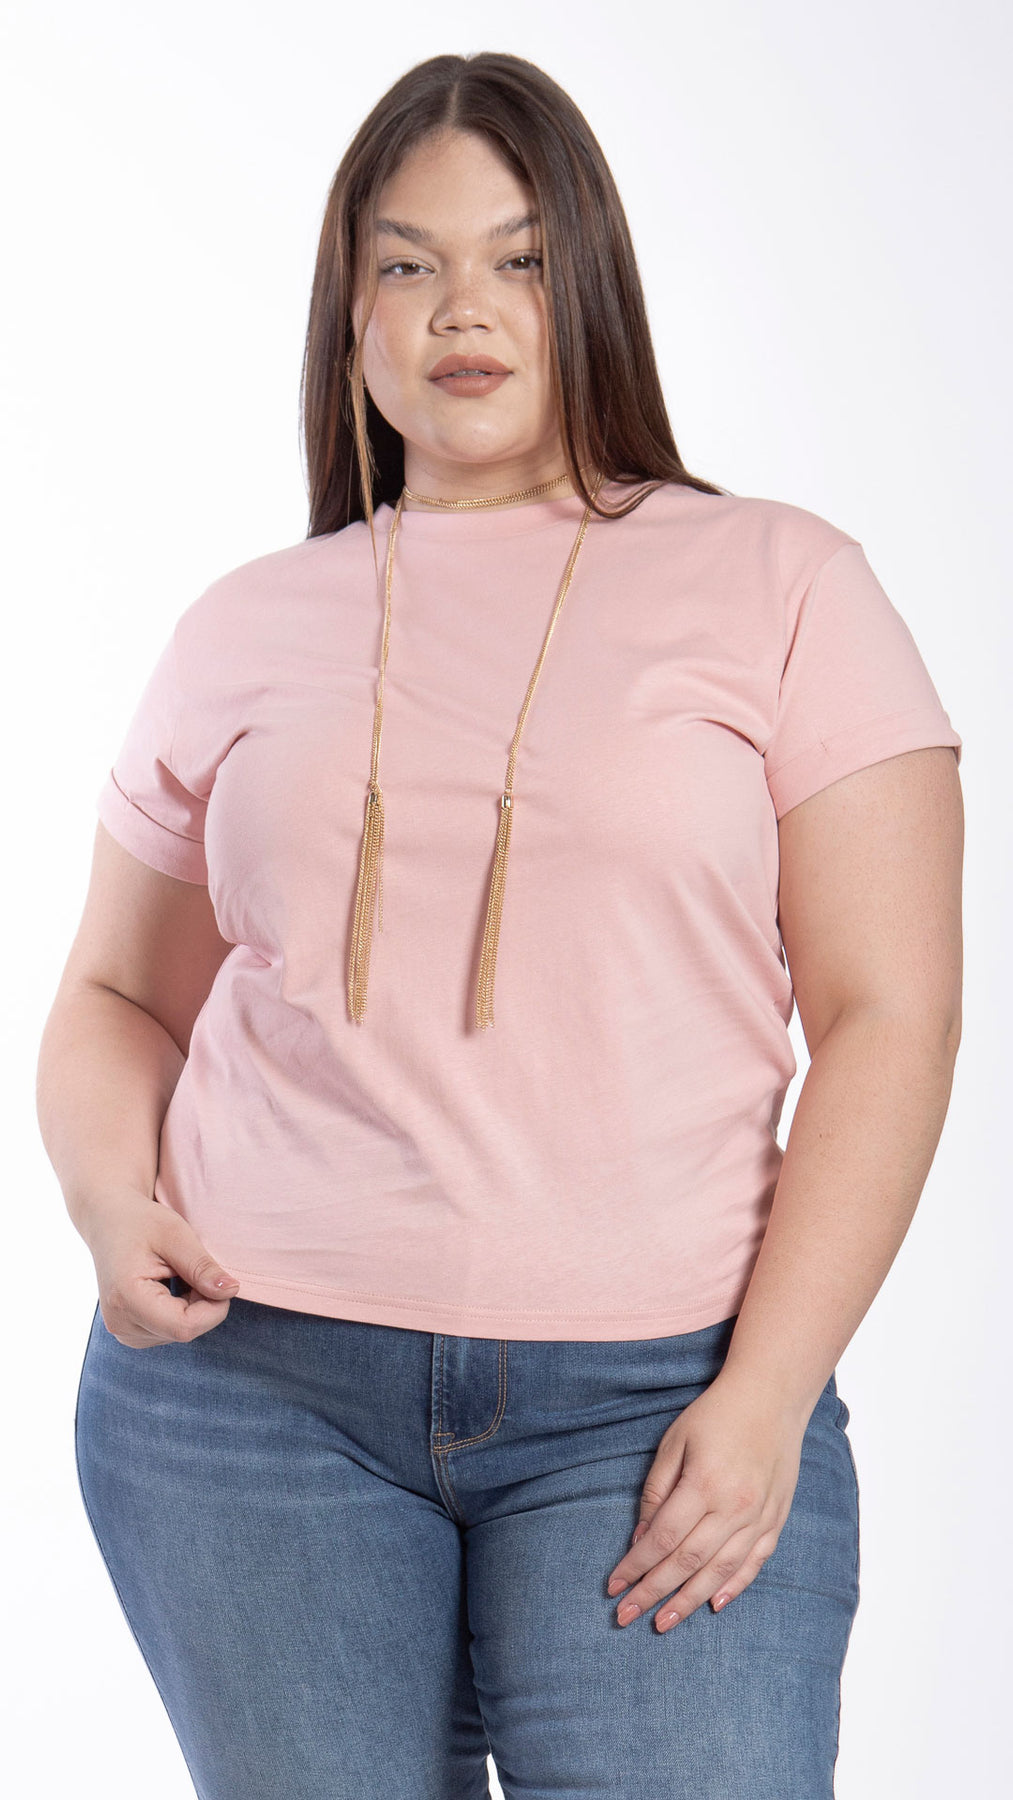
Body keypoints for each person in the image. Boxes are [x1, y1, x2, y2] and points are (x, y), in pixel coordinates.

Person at [36, 49, 964, 1800]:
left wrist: (767, 1393)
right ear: (350, 320)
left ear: (589, 285)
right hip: (248, 1401)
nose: (462, 307)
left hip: (659, 1403)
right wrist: (106, 1201)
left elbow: (888, 1017)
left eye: (519, 259)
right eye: (408, 263)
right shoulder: (244, 623)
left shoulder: (786, 584)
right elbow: (113, 992)